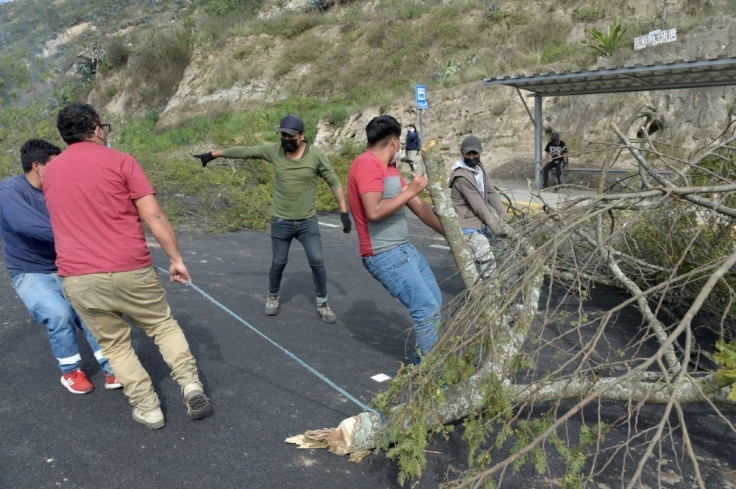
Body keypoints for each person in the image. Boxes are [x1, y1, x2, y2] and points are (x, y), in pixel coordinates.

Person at [44, 103, 211, 430]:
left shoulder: (51, 172)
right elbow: (154, 215)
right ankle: (190, 385)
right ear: (96, 128)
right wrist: (175, 260)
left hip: (79, 277)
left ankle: (148, 408)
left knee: (115, 345)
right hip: (130, 268)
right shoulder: (120, 160)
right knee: (162, 326)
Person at [192, 114, 350, 323]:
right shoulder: (274, 151)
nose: (286, 139)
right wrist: (213, 155)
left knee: (317, 260)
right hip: (281, 221)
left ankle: (322, 303)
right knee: (278, 262)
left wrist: (344, 212)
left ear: (302, 136)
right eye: (283, 135)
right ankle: (273, 297)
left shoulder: (316, 155)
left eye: (290, 136)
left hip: (306, 222)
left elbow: (334, 182)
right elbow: (246, 152)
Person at [0, 139, 121, 394]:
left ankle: (112, 367)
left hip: (67, 264)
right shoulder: (9, 189)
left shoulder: (60, 188)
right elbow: (25, 225)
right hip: (30, 271)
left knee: (92, 310)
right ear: (37, 166)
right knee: (59, 313)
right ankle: (71, 372)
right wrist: (77, 233)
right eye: (56, 164)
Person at [347, 115, 444, 364]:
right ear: (393, 141)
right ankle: (428, 378)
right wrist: (411, 189)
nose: (399, 148)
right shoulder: (366, 164)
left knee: (435, 303)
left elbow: (419, 207)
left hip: (403, 249)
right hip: (383, 253)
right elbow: (374, 211)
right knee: (427, 311)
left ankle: (423, 366)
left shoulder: (389, 169)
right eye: (399, 143)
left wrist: (452, 233)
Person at [448, 135, 508, 279]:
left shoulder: (480, 168)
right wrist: (498, 229)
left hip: (479, 221)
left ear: (480, 152)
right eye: (468, 153)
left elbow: (491, 191)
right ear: (462, 153)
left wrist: (503, 216)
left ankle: (501, 290)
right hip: (466, 223)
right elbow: (479, 206)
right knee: (485, 255)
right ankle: (489, 292)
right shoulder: (461, 176)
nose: (472, 156)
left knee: (503, 253)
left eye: (475, 153)